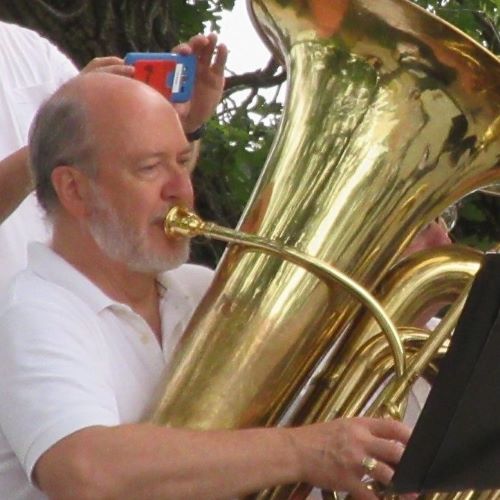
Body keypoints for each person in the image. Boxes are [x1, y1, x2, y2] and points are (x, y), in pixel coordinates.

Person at [0, 73, 411, 500]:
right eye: (150, 167)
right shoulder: (31, 312)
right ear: (74, 190)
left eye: (182, 161)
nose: (182, 189)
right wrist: (304, 451)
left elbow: (326, 406)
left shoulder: (204, 291)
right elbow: (84, 472)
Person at [0, 20, 226, 297]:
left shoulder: (30, 48)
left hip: (90, 308)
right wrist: (56, 142)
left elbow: (132, 188)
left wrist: (182, 126)